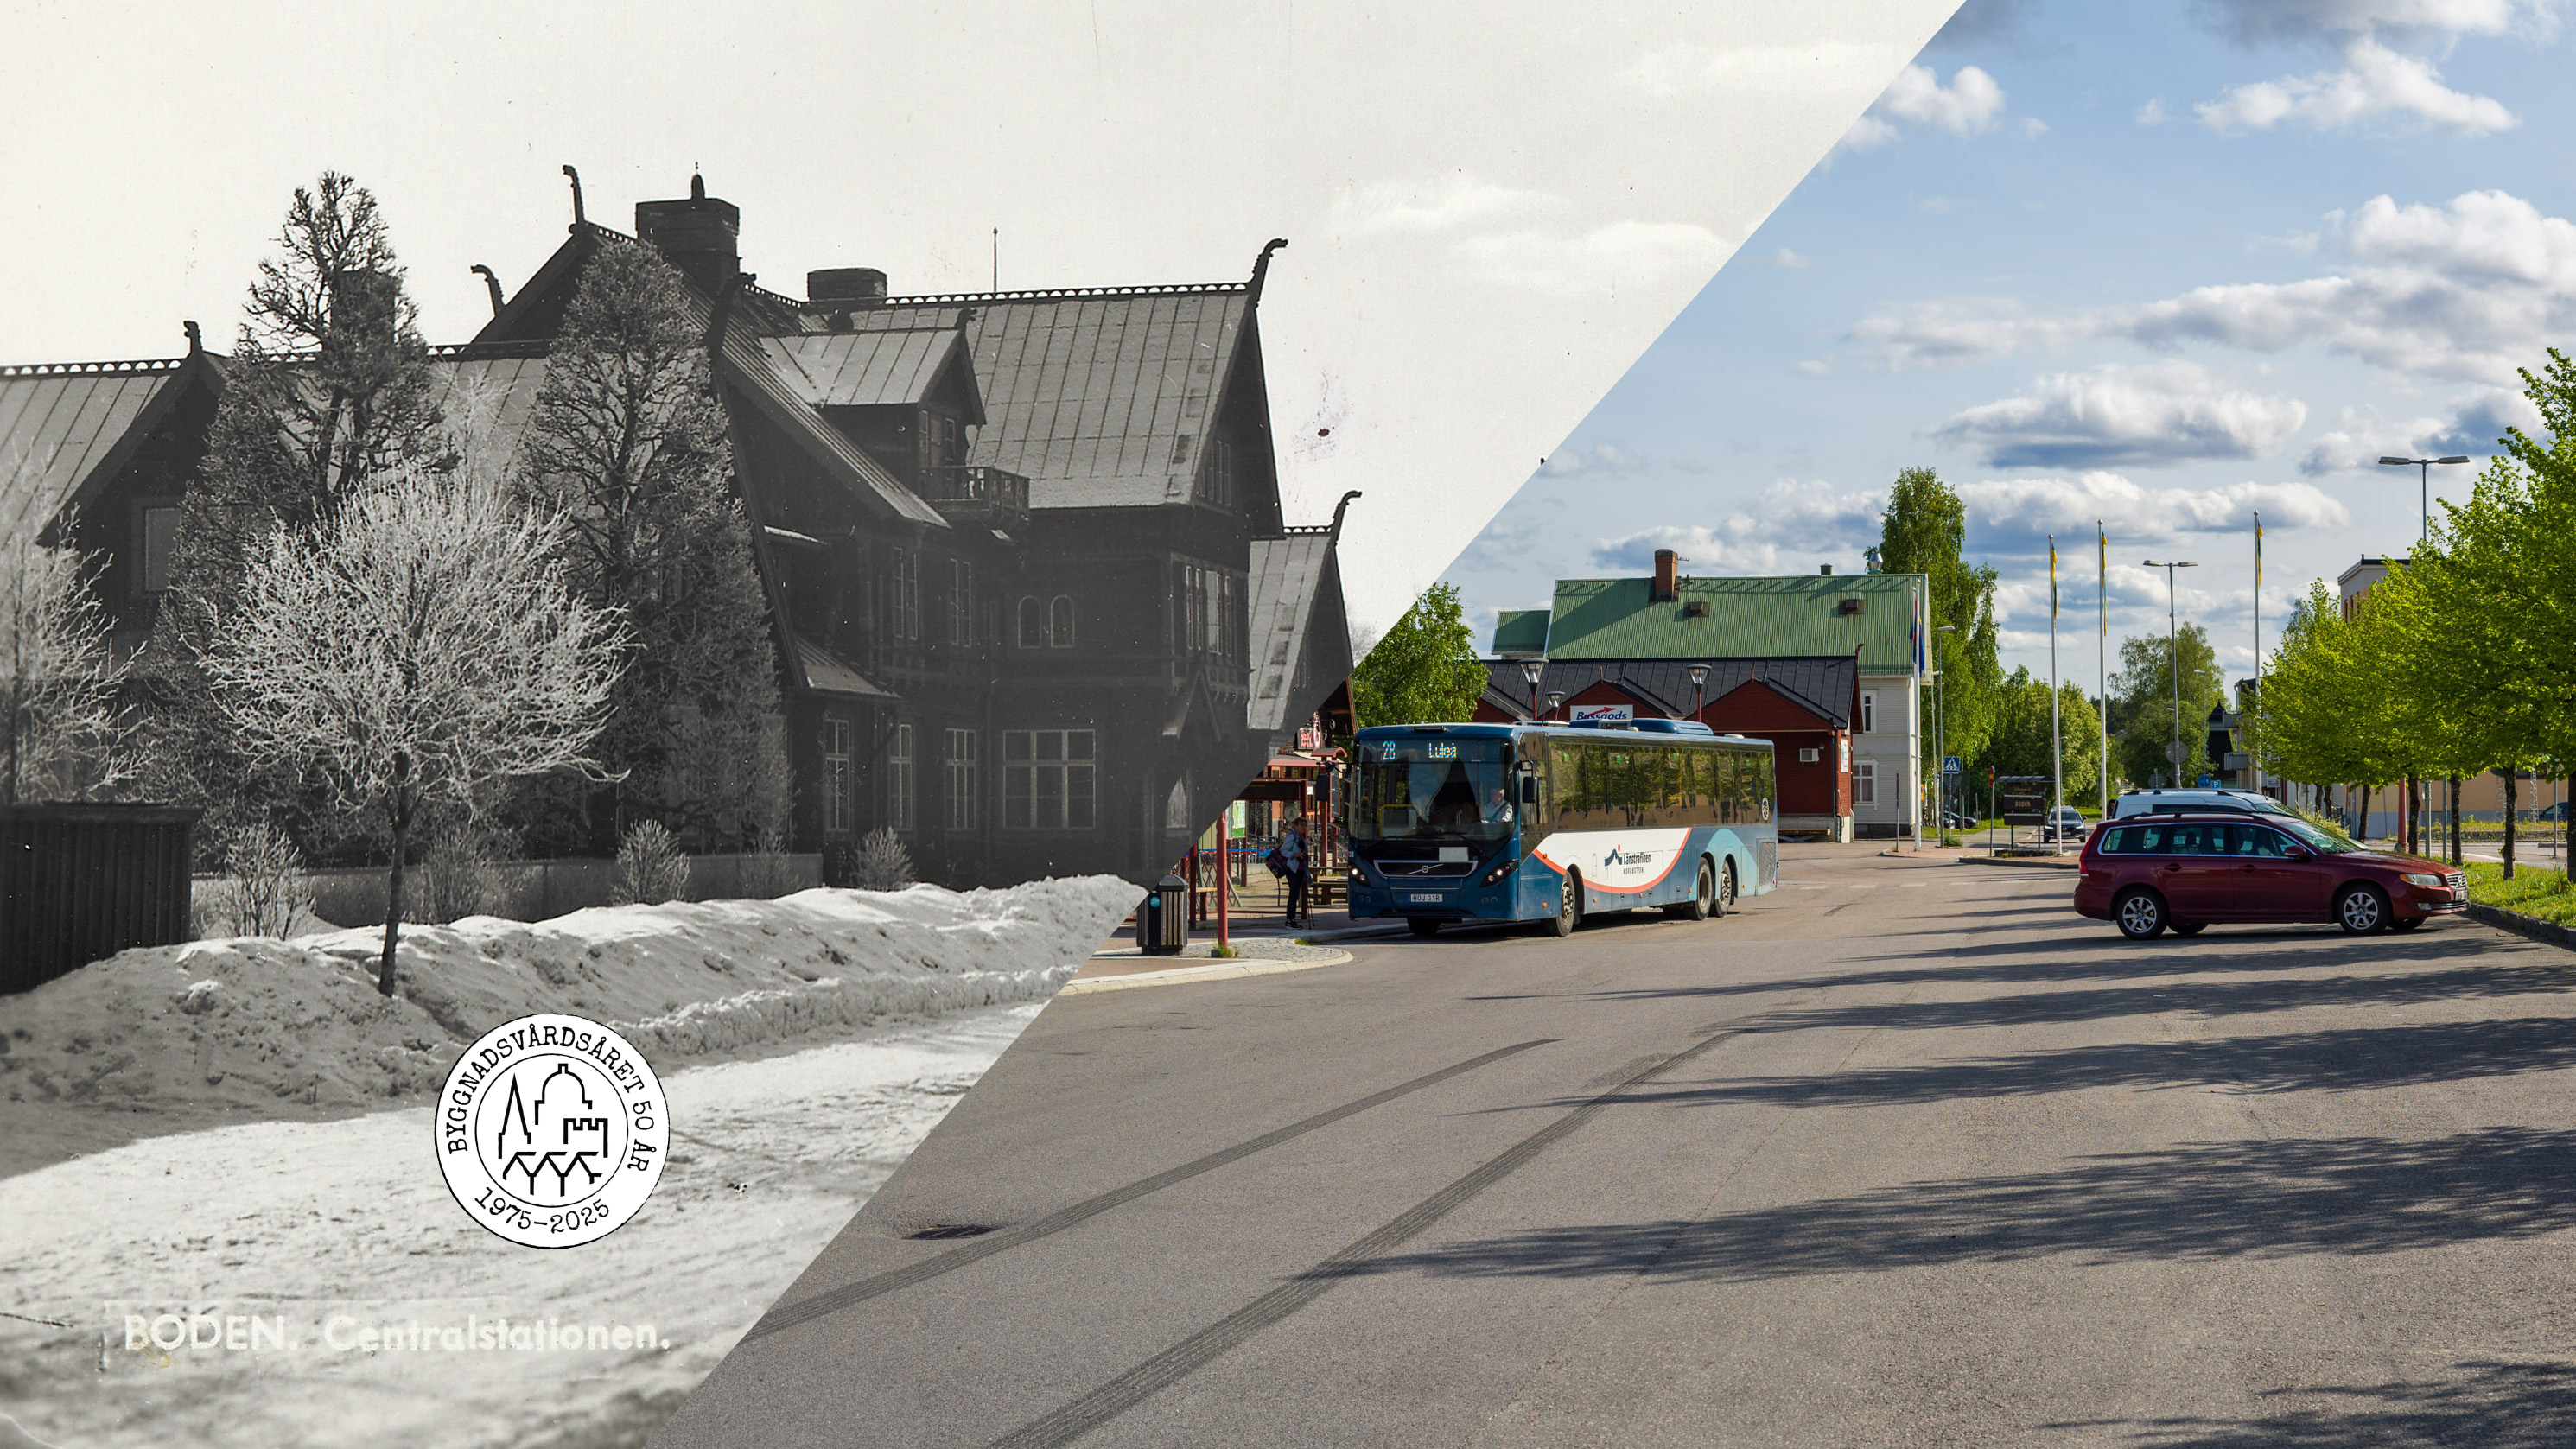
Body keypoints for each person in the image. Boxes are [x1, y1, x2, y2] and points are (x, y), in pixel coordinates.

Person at [1279, 815, 1313, 928]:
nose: (1304, 828)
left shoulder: (1301, 838)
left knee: (1296, 894)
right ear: (1296, 825)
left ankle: (1291, 919)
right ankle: (1290, 920)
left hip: (1301, 869)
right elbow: (1283, 850)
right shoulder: (1292, 837)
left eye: (1305, 826)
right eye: (1302, 825)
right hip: (1293, 869)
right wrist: (1295, 854)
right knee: (1293, 895)